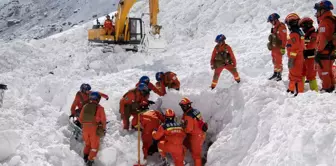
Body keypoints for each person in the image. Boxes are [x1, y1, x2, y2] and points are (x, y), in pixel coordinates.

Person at [79, 92, 107, 166]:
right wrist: (103, 129)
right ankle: (90, 161)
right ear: (98, 99)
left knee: (87, 144)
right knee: (94, 146)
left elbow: (80, 119)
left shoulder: (85, 106)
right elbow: (103, 120)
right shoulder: (100, 108)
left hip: (84, 129)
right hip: (94, 129)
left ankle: (85, 158)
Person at [314, 0, 336, 92]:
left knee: (323, 72)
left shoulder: (324, 22)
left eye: (318, 10)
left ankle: (327, 88)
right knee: (329, 70)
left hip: (324, 52)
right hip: (331, 50)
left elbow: (322, 39)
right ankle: (331, 86)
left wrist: (318, 52)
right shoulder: (332, 19)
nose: (316, 13)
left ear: (323, 10)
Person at [179, 97, 207, 166]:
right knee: (188, 143)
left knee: (196, 155)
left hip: (196, 137)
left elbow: (189, 129)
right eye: (182, 106)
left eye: (183, 106)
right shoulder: (195, 111)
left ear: (187, 106)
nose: (182, 107)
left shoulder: (188, 116)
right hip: (201, 133)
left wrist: (182, 128)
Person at [285, 13, 305, 96]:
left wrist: (292, 59)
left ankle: (298, 93)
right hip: (299, 57)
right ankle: (291, 89)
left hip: (296, 59)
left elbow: (295, 48)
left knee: (296, 76)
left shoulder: (294, 34)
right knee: (293, 75)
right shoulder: (300, 32)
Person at [298, 17, 318, 91]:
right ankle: (300, 89)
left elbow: (312, 45)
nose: (302, 29)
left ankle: (315, 91)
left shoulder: (313, 34)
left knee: (311, 75)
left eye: (303, 27)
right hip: (305, 56)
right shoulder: (307, 34)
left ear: (307, 25)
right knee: (302, 72)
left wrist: (303, 45)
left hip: (311, 57)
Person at [267, 13, 288, 81]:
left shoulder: (281, 27)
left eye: (271, 21)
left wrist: (283, 47)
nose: (271, 23)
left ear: (275, 20)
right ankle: (275, 73)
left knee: (278, 61)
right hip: (274, 48)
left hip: (279, 47)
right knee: (274, 61)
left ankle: (279, 75)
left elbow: (284, 38)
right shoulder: (275, 27)